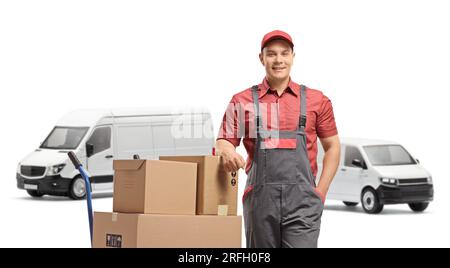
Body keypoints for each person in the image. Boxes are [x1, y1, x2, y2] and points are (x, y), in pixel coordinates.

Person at [215, 30, 341, 248]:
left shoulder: (317, 100)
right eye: (271, 54)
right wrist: (227, 151)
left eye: (284, 53)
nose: (278, 60)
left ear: (293, 56)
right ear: (261, 58)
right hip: (260, 203)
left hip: (303, 203)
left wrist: (320, 193)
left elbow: (333, 147)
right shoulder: (241, 100)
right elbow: (224, 141)